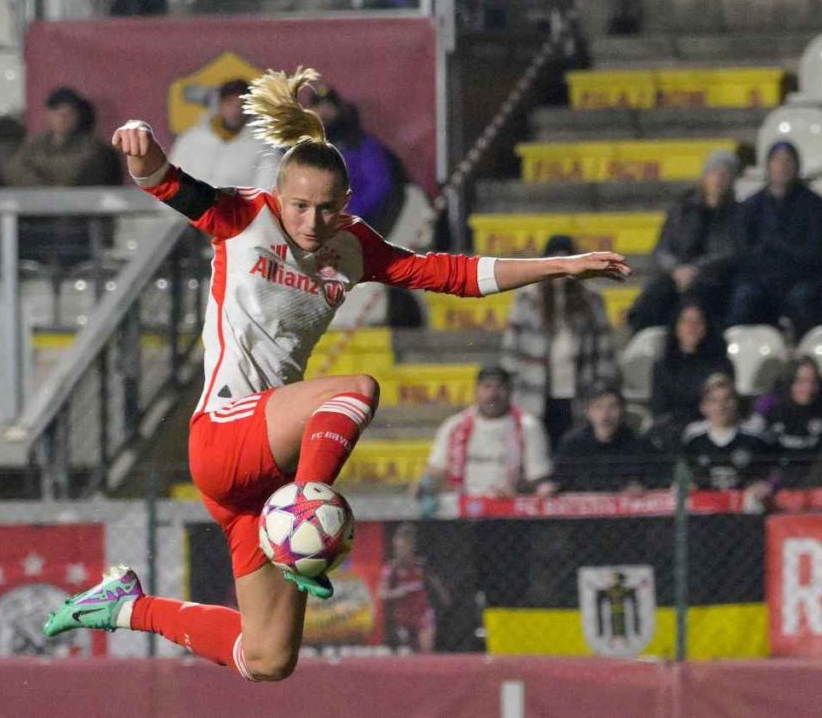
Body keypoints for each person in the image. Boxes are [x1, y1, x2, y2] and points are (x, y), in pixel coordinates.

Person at [41, 67, 629, 682]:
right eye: (298, 204)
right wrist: (140, 141)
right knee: (355, 390)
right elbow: (163, 181)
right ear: (278, 191)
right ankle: (306, 503)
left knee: (267, 659)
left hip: (266, 473)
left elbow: (454, 274)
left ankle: (126, 607)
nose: (311, 221)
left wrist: (562, 265)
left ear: (344, 205)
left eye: (326, 208)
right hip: (222, 435)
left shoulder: (352, 245)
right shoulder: (243, 217)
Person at [500, 234, 619, 449]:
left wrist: (601, 389)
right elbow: (511, 351)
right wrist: (514, 392)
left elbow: (604, 351)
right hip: (535, 393)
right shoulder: (527, 298)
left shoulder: (591, 299)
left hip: (581, 391)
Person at [2, 86, 122, 269]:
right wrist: (49, 191)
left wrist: (43, 183)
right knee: (1, 239)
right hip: (39, 222)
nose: (63, 118)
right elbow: (13, 171)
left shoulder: (96, 150)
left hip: (78, 227)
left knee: (66, 242)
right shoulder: (36, 144)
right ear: (48, 115)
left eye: (68, 113)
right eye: (57, 112)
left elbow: (78, 181)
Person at [626, 150, 739, 332]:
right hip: (677, 274)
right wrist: (676, 270)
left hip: (711, 278)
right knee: (655, 295)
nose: (719, 179)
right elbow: (662, 248)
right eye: (715, 172)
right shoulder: (682, 209)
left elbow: (729, 252)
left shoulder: (737, 214)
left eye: (724, 174)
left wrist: (695, 270)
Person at [416, 366, 554, 504]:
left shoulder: (527, 426)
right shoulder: (454, 426)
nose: (493, 395)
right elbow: (436, 470)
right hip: (463, 511)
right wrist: (425, 484)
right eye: (487, 387)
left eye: (499, 387)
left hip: (510, 510)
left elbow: (538, 480)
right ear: (476, 391)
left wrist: (516, 491)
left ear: (510, 391)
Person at [726, 141, 822, 339]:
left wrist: (775, 247)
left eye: (788, 161)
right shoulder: (751, 206)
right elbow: (743, 252)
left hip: (801, 279)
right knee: (744, 298)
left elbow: (813, 253)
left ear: (796, 166)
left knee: (802, 300)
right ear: (768, 166)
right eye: (777, 161)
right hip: (762, 280)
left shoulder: (813, 206)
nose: (782, 166)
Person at [308, 85, 404, 234]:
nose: (323, 112)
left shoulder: (359, 143)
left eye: (328, 106)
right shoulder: (301, 146)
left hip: (356, 226)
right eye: (318, 106)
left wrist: (352, 211)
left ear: (338, 110)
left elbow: (378, 184)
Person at [649, 298, 734, 452]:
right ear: (676, 326)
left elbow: (725, 403)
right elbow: (659, 408)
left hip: (712, 428)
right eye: (685, 321)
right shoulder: (662, 366)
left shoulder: (721, 364)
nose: (691, 327)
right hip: (675, 431)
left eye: (698, 321)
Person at [169, 78, 280, 191]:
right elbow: (172, 183)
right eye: (230, 103)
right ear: (220, 105)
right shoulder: (190, 139)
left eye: (241, 105)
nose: (235, 111)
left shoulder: (263, 148)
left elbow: (265, 193)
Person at [553, 382, 663, 493]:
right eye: (598, 407)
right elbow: (559, 481)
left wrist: (642, 488)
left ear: (622, 410)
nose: (605, 414)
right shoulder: (572, 445)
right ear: (588, 412)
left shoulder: (640, 444)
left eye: (613, 406)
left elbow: (658, 482)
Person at [680, 374, 772, 496]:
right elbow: (683, 479)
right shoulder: (693, 442)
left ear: (736, 403)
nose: (721, 406)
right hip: (704, 510)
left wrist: (762, 486)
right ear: (704, 407)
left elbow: (766, 478)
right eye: (714, 401)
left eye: (727, 399)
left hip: (742, 510)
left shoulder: (753, 441)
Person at [376, 522, 448, 654]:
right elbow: (381, 593)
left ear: (412, 547)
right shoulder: (391, 569)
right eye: (398, 549)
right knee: (407, 654)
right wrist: (397, 593)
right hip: (403, 617)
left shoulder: (421, 566)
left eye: (404, 548)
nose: (400, 552)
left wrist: (443, 596)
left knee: (426, 649)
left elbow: (435, 582)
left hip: (422, 613)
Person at [756, 356, 822, 487]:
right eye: (801, 381)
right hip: (778, 485)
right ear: (789, 382)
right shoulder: (771, 410)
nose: (808, 388)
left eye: (813, 382)